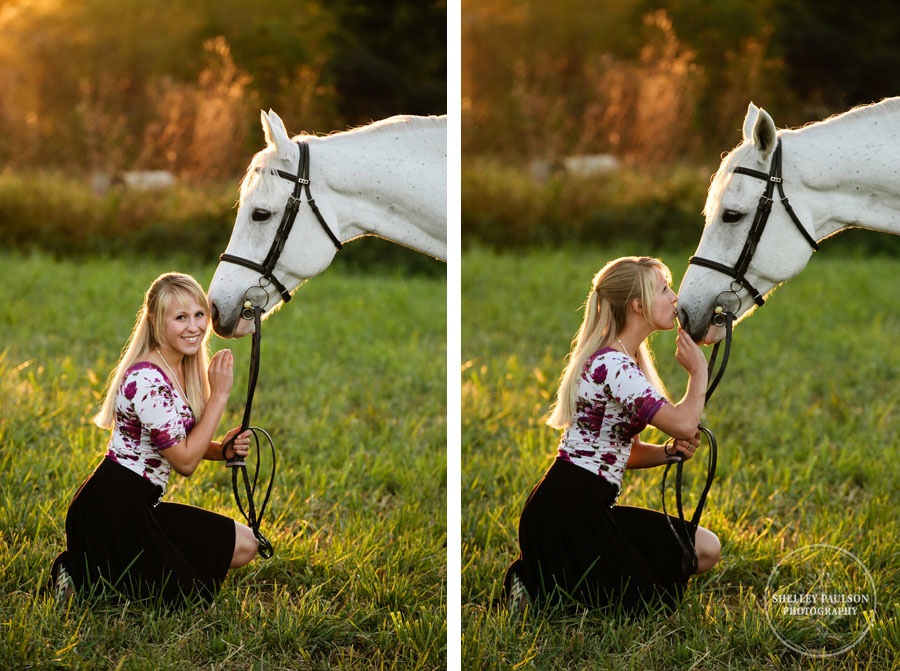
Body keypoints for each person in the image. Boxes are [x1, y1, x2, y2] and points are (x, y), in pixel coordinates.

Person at [503, 256, 720, 614]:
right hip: (567, 508)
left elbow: (627, 454)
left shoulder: (625, 360)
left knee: (705, 549)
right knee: (638, 601)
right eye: (664, 288)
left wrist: (669, 453)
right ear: (638, 305)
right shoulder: (613, 366)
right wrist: (698, 374)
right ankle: (531, 582)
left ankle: (550, 582)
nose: (675, 297)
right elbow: (684, 423)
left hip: (591, 505)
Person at [48, 272, 258, 606]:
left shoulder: (177, 368)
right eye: (180, 318)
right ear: (157, 322)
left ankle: (103, 571)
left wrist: (223, 451)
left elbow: (180, 441)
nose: (194, 327)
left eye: (199, 314)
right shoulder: (147, 380)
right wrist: (219, 396)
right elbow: (185, 462)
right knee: (174, 597)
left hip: (142, 504)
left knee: (246, 544)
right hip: (112, 508)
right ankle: (77, 571)